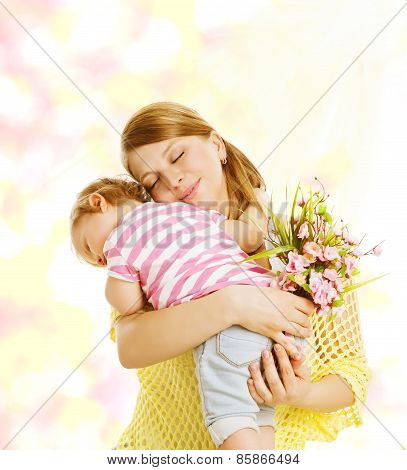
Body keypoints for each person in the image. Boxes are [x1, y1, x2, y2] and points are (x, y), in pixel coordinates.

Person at [110, 101, 372, 450]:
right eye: (153, 180)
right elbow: (130, 345)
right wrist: (232, 304)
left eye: (177, 156)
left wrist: (302, 392)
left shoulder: (307, 241)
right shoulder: (156, 245)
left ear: (216, 145)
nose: (172, 179)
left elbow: (350, 374)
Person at [70, 176, 306, 449]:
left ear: (99, 203)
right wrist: (258, 200)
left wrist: (114, 282)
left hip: (229, 333)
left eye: (89, 247)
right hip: (276, 316)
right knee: (259, 417)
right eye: (95, 262)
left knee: (231, 421)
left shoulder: (118, 242)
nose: (99, 260)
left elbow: (128, 304)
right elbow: (250, 236)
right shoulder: (192, 212)